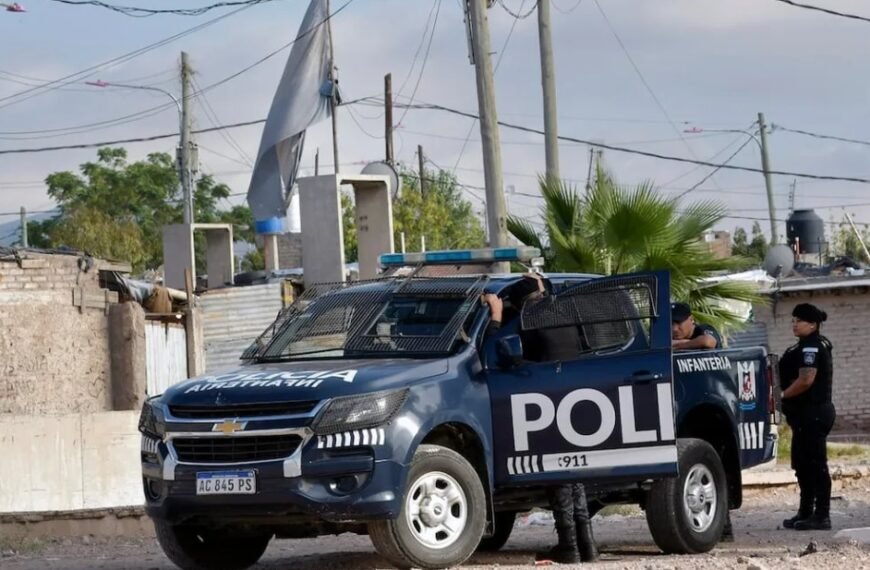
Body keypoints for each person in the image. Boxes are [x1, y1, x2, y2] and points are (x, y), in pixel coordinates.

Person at [484, 274, 598, 563]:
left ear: (521, 303)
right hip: (575, 398)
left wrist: (496, 315)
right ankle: (586, 545)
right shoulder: (564, 312)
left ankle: (569, 547)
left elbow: (493, 350)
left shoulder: (530, 318)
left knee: (557, 473)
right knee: (574, 473)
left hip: (549, 399)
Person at [671, 302, 735, 542]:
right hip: (685, 410)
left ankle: (724, 525)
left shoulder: (704, 330)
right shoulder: (667, 335)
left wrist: (677, 345)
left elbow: (708, 343)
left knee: (715, 468)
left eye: (679, 323)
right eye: (671, 324)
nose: (674, 328)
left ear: (692, 320)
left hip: (711, 412)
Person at [778, 303, 835, 531]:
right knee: (802, 465)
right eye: (793, 320)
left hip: (814, 413)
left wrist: (782, 395)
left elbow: (806, 379)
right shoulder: (804, 345)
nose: (794, 324)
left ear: (813, 324)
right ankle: (805, 512)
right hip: (804, 415)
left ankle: (822, 515)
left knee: (816, 465)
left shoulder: (812, 346)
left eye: (799, 321)